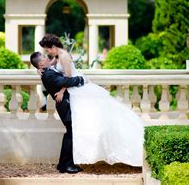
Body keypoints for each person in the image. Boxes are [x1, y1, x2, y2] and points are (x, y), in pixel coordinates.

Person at [38, 34, 144, 167]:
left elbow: (68, 76)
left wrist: (61, 91)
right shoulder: (57, 55)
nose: (47, 53)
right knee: (81, 123)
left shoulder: (64, 56)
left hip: (76, 87)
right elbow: (51, 66)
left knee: (89, 119)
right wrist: (40, 69)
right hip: (74, 89)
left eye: (47, 50)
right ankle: (73, 160)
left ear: (53, 47)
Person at [30, 51, 85, 174]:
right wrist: (81, 79)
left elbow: (57, 56)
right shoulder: (48, 75)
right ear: (40, 63)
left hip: (66, 103)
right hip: (64, 105)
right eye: (44, 57)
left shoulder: (48, 70)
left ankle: (63, 164)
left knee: (71, 132)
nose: (46, 57)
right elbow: (65, 81)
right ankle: (67, 165)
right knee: (70, 133)